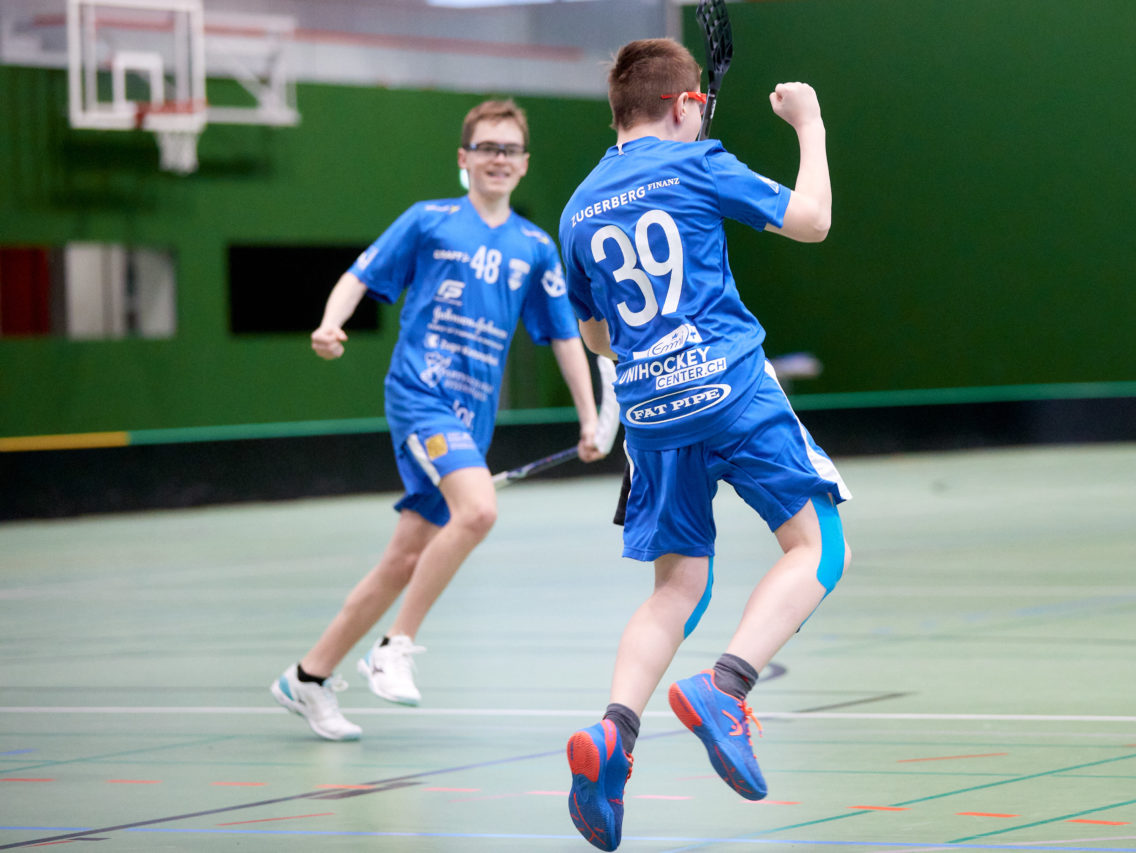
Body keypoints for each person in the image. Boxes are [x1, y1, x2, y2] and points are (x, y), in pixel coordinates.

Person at [557, 39, 852, 850]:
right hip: (730, 390)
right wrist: (810, 124)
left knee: (677, 586)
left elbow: (596, 335)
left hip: (650, 415)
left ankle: (614, 732)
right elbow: (813, 220)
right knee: (819, 546)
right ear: (686, 103)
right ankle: (727, 684)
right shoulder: (697, 163)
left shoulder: (577, 209)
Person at [270, 98, 605, 741]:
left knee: (403, 558)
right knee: (477, 511)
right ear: (464, 158)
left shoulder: (536, 248)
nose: (498, 159)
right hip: (420, 397)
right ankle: (394, 646)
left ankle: (308, 678)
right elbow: (360, 274)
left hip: (473, 421)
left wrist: (588, 418)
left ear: (524, 163)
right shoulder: (430, 222)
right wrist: (331, 324)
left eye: (510, 149)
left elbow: (566, 336)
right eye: (487, 148)